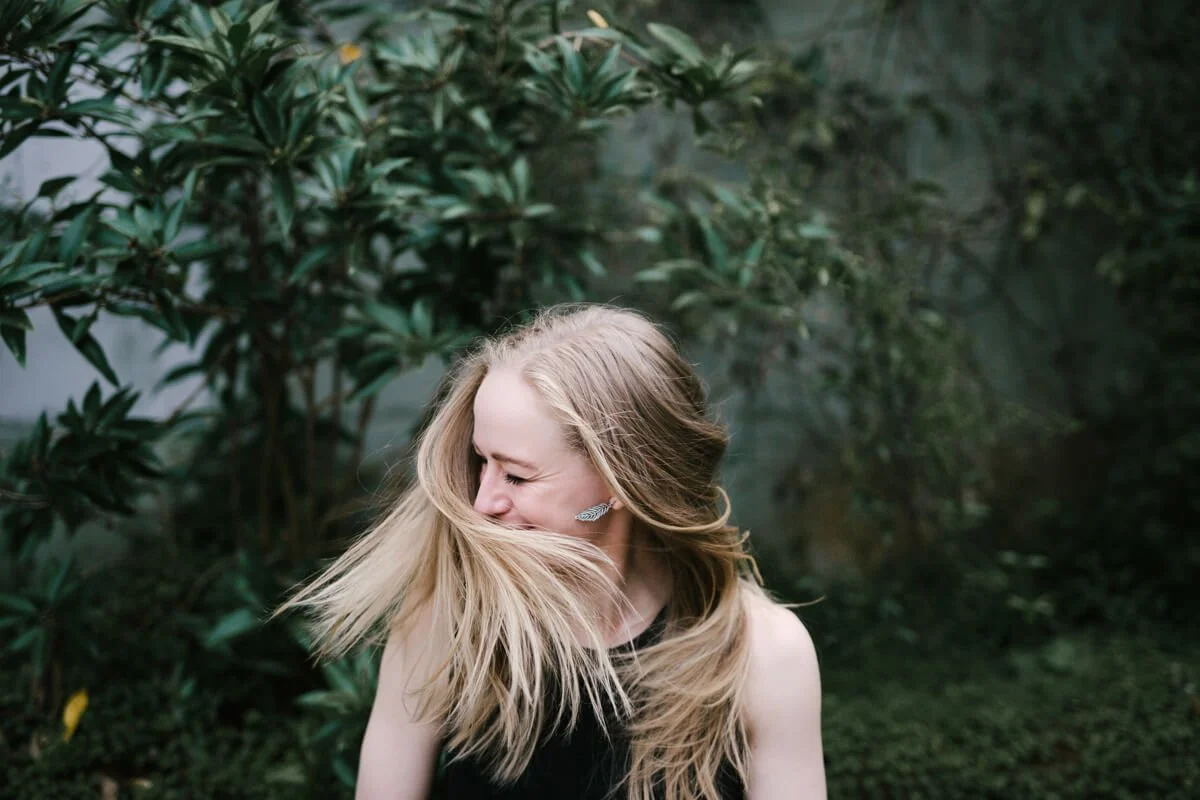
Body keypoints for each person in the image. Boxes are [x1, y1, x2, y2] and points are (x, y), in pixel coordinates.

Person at [281, 303, 825, 799]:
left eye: (516, 476)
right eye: (480, 462)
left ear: (621, 481)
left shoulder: (763, 656)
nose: (482, 501)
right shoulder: (445, 622)